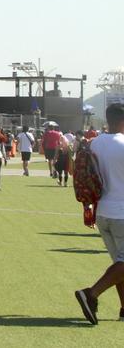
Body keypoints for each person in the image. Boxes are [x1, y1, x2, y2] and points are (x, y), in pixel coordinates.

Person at [75, 103, 124, 325]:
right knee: (121, 264)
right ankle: (91, 294)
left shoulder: (95, 142)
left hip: (102, 209)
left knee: (119, 263)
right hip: (121, 211)